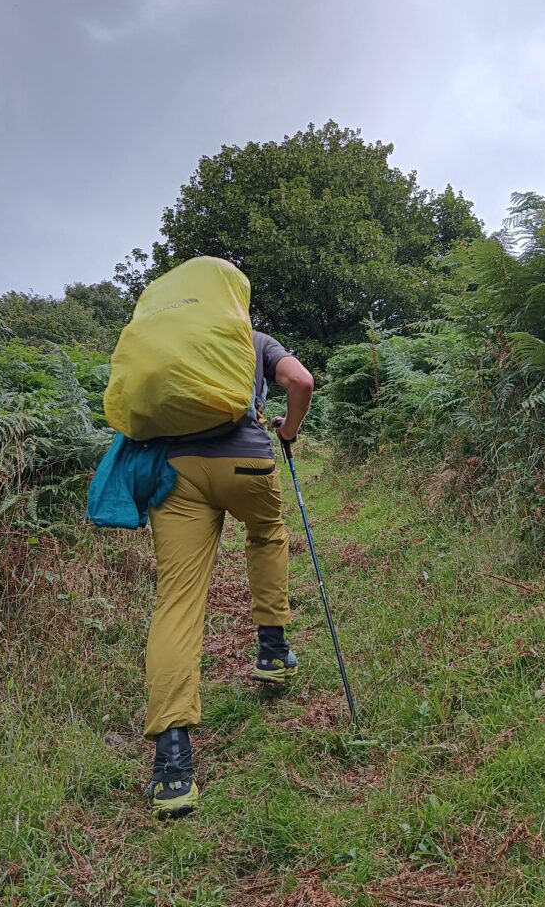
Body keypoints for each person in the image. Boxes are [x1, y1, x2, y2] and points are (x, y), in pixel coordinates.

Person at [144, 330, 314, 819]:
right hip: (247, 461)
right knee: (266, 534)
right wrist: (289, 431)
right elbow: (300, 382)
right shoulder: (254, 339)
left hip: (176, 472)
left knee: (176, 601)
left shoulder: (173, 342)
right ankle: (272, 649)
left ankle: (172, 767)